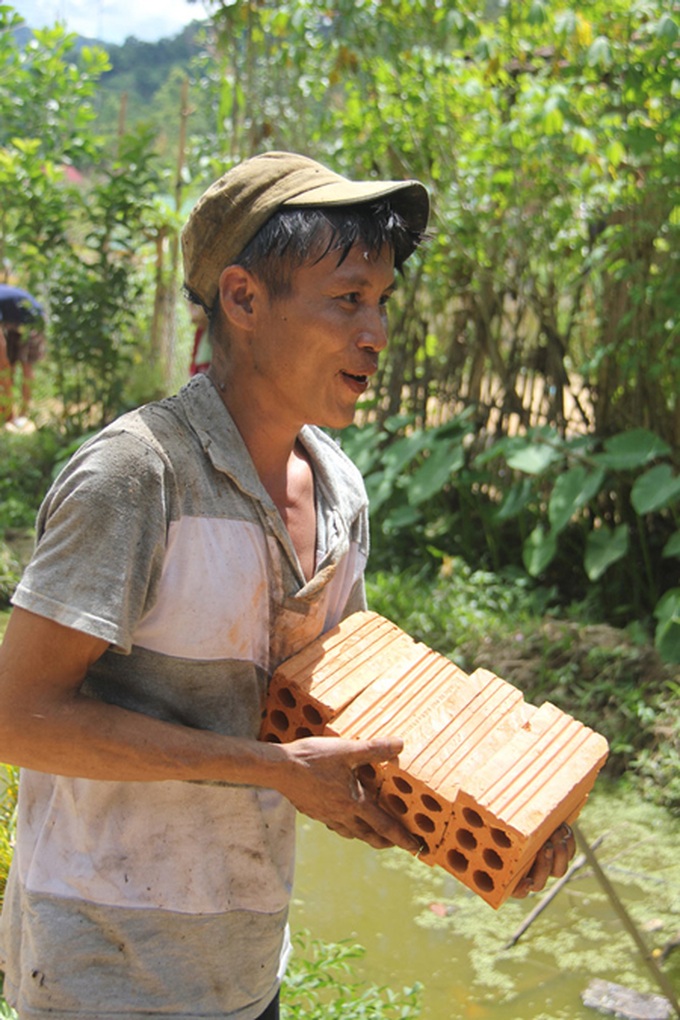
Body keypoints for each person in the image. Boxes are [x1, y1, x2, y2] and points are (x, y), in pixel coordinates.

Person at [0, 151, 574, 1020]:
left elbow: (343, 726)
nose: (376, 331)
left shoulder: (340, 490)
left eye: (382, 301)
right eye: (348, 298)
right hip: (102, 970)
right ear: (243, 299)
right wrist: (270, 770)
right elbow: (20, 718)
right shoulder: (138, 477)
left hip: (245, 966)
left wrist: (502, 821)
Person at [0, 320, 45, 424]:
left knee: (25, 367)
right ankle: (9, 414)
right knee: (8, 369)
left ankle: (21, 413)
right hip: (12, 327)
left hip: (28, 326)